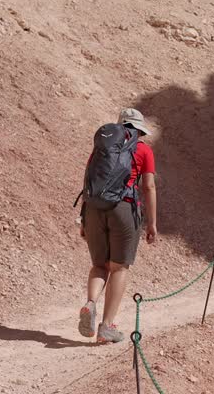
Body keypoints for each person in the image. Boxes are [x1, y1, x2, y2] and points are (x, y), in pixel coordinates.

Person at [77, 108, 158, 343]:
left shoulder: (103, 148)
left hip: (94, 208)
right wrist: (151, 223)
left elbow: (88, 179)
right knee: (119, 268)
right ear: (138, 130)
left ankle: (90, 303)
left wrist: (84, 216)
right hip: (124, 208)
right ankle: (106, 327)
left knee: (99, 265)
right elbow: (149, 187)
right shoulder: (143, 149)